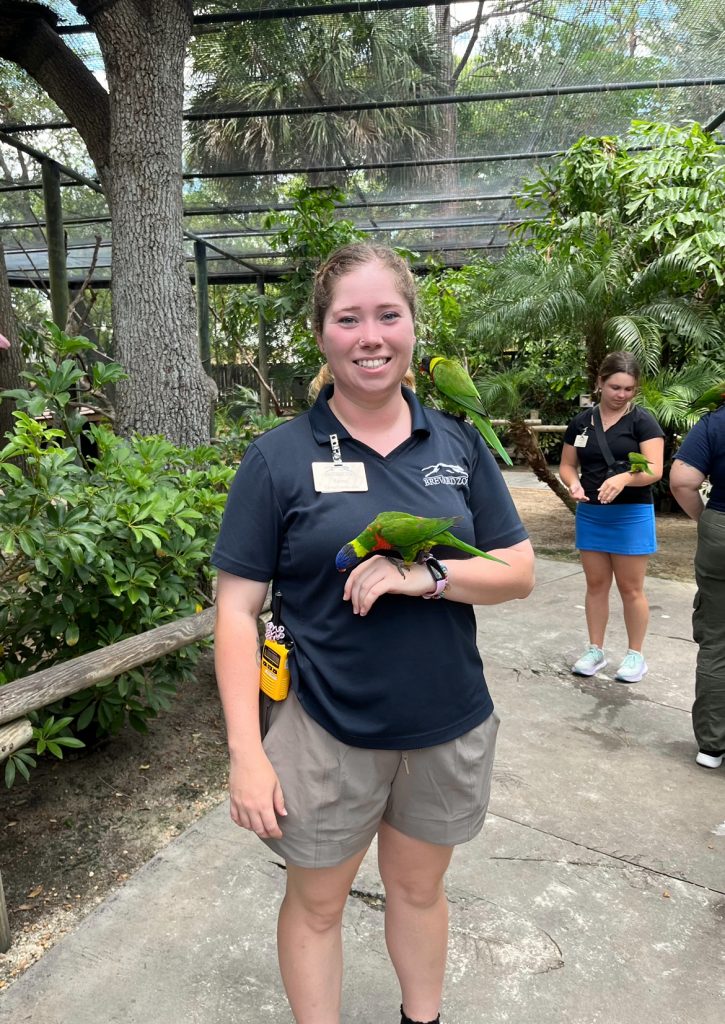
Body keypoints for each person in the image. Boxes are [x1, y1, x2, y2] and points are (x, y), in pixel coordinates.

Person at [211, 242, 535, 1024]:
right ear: (321, 335)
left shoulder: (455, 446)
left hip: (445, 719)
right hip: (324, 729)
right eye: (348, 318)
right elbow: (233, 611)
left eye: (387, 315)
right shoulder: (278, 458)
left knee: (420, 890)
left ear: (412, 328)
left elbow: (517, 571)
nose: (370, 336)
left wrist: (423, 577)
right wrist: (246, 755)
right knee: (317, 905)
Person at [559, 351, 664, 682]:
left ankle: (635, 656)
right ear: (600, 383)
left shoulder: (643, 422)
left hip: (631, 515)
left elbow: (655, 470)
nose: (621, 395)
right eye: (615, 387)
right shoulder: (581, 423)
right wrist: (573, 484)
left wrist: (624, 478)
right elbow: (566, 465)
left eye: (628, 389)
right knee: (596, 585)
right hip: (591, 513)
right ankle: (595, 650)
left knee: (631, 588)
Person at [669, 402, 725, 769]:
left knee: (718, 638)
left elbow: (682, 480)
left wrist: (707, 519)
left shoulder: (716, 422)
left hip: (721, 525)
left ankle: (711, 745)